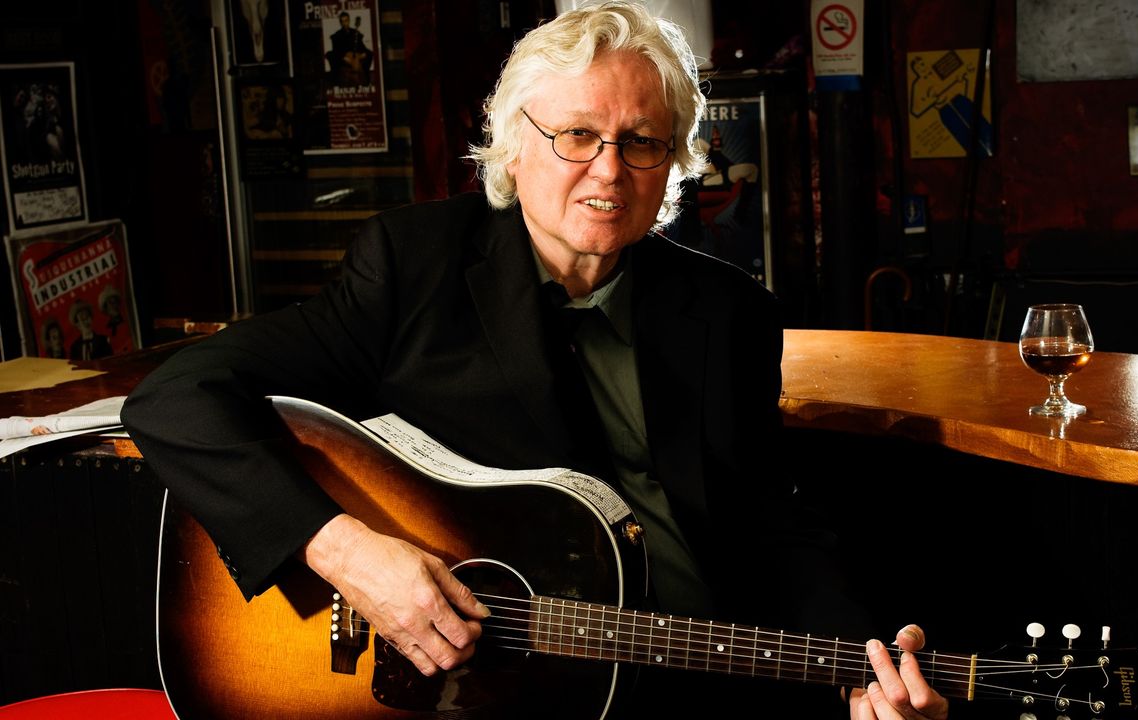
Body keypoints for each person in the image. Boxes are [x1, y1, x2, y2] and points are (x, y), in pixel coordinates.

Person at [121, 3, 947, 718]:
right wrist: (349, 553)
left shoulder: (731, 311)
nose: (608, 170)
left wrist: (861, 666)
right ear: (514, 145)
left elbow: (772, 523)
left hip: (701, 671)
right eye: (577, 135)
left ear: (673, 166)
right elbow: (177, 397)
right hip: (504, 689)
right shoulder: (415, 268)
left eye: (642, 142)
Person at [325, 11, 372, 86]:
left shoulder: (355, 33)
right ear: (340, 22)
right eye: (342, 21)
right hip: (344, 57)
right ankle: (338, 81)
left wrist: (363, 54)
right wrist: (344, 57)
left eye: (346, 20)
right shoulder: (337, 35)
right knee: (331, 54)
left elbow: (361, 47)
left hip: (355, 57)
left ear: (349, 21)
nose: (344, 23)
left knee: (369, 53)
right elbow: (336, 50)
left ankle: (366, 79)